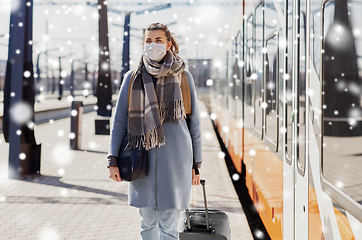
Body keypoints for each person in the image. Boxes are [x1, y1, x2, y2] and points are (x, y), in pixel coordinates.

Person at [107, 22, 203, 240]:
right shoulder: (132, 78)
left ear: (168, 44)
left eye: (158, 40)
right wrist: (112, 159)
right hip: (141, 159)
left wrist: (196, 165)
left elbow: (194, 124)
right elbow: (119, 123)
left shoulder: (183, 77)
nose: (153, 45)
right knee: (148, 225)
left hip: (177, 161)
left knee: (170, 227)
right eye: (148, 41)